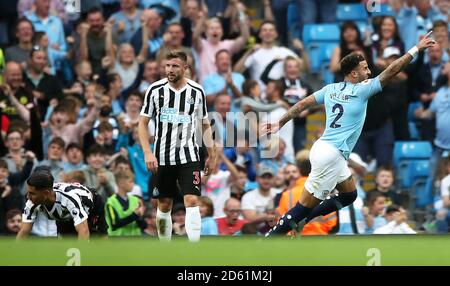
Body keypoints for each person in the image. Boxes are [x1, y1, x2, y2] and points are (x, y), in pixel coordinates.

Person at [262, 31, 436, 236]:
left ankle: (303, 221)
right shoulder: (362, 90)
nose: (369, 72)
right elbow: (391, 71)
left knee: (349, 195)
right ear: (354, 74)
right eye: (364, 69)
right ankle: (270, 238)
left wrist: (280, 122)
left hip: (330, 151)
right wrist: (416, 49)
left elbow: (302, 104)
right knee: (304, 206)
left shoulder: (330, 89)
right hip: (330, 154)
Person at [138, 51, 216, 242]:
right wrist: (148, 152)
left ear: (185, 68)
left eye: (174, 66)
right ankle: (165, 247)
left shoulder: (196, 91)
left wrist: (211, 154)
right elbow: (142, 123)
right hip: (162, 156)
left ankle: (194, 248)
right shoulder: (155, 90)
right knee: (164, 204)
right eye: (167, 66)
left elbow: (205, 123)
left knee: (192, 200)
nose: (170, 70)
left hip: (189, 156)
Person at [17, 167, 107, 239]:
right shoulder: (31, 202)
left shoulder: (69, 200)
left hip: (92, 206)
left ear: (46, 193)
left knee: (98, 240)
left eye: (32, 193)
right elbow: (24, 231)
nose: (28, 197)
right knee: (64, 245)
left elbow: (84, 231)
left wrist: (79, 257)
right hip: (65, 214)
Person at [105, 170, 144, 236]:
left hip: (135, 241)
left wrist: (140, 217)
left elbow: (143, 225)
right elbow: (115, 224)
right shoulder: (111, 202)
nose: (133, 184)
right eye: (131, 182)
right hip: (117, 242)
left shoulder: (136, 200)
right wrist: (135, 215)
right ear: (121, 184)